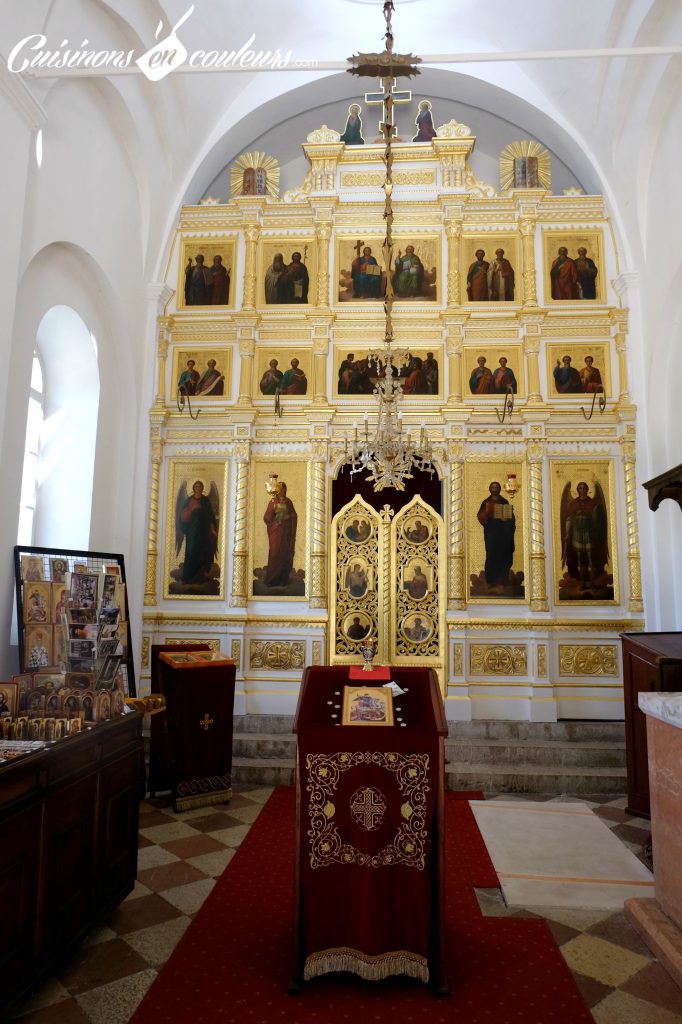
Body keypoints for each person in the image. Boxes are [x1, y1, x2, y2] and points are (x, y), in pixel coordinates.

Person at [562, 481, 608, 583]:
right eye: (580, 488)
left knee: (590, 554)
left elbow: (597, 520)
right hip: (577, 533)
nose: (582, 490)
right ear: (578, 490)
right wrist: (568, 533)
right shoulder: (573, 503)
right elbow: (569, 518)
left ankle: (592, 580)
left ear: (587, 489)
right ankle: (580, 580)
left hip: (588, 533)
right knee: (578, 556)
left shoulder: (593, 503)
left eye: (584, 488)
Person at [477, 481, 516, 588]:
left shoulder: (504, 502)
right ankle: (491, 580)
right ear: (490, 489)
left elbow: (511, 519)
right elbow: (481, 517)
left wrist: (507, 519)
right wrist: (486, 513)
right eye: (493, 487)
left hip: (503, 534)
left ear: (499, 489)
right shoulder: (486, 502)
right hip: (491, 533)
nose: (494, 489)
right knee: (491, 554)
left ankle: (502, 580)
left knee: (503, 555)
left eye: (496, 487)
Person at [178, 480, 218, 584]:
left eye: (199, 486)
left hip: (203, 531)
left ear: (202, 488)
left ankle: (201, 576)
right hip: (192, 531)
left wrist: (212, 529)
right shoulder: (188, 500)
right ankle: (188, 576)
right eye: (196, 486)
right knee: (191, 550)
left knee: (202, 551)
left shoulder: (205, 500)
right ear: (193, 488)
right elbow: (182, 516)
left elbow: (210, 516)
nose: (198, 488)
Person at [263, 482, 297, 587]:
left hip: (286, 533)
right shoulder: (272, 502)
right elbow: (267, 518)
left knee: (285, 554)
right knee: (275, 554)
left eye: (284, 489)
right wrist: (274, 509)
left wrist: (289, 517)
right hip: (276, 533)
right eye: (281, 489)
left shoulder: (288, 502)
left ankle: (283, 579)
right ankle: (272, 580)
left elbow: (294, 515)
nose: (283, 492)